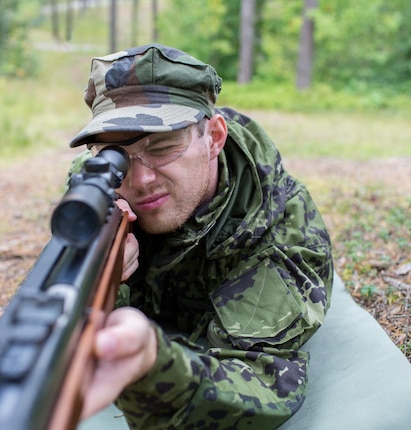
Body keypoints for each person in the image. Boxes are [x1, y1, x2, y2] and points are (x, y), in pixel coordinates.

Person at [66, 44, 334, 429]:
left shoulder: (279, 236)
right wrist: (106, 279)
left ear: (214, 137)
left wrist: (152, 367)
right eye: (116, 156)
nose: (140, 180)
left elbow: (261, 379)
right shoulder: (100, 187)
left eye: (162, 146)